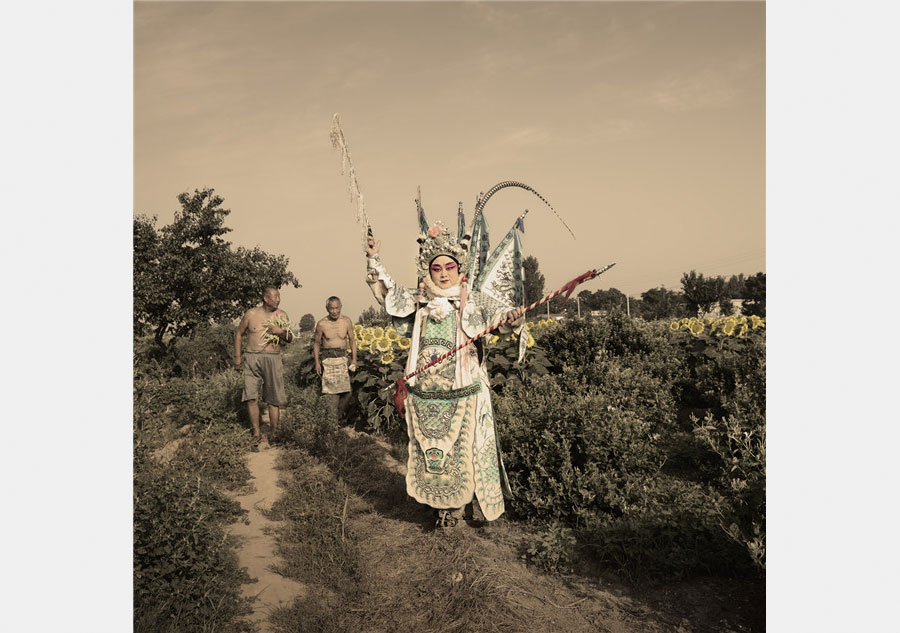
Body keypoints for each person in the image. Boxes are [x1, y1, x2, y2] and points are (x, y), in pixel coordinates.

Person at [364, 221, 524, 528]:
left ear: (459, 269)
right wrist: (373, 258)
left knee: (466, 451)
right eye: (436, 268)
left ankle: (459, 511)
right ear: (428, 271)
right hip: (426, 396)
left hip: (465, 393)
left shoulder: (473, 302)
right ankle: (438, 508)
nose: (443, 273)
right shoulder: (419, 302)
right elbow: (386, 292)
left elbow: (499, 323)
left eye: (449, 266)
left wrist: (512, 320)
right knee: (433, 454)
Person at [234, 287, 293, 449]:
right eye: (275, 296)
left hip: (273, 358)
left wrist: (280, 331)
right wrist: (238, 356)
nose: (278, 299)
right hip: (252, 358)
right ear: (265, 298)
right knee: (251, 397)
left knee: (273, 399)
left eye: (279, 296)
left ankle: (274, 434)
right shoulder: (251, 314)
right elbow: (239, 333)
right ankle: (256, 434)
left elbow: (290, 338)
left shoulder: (281, 315)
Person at [313, 296, 358, 425]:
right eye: (331, 308)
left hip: (342, 358)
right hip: (328, 359)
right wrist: (317, 362)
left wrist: (354, 359)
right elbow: (316, 343)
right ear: (327, 308)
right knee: (332, 394)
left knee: (347, 393)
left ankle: (336, 419)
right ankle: (332, 424)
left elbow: (352, 340)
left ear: (340, 307)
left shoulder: (346, 321)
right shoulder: (322, 324)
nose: (334, 311)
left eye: (336, 308)